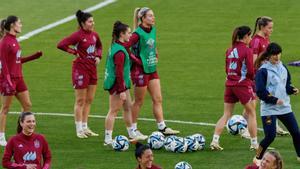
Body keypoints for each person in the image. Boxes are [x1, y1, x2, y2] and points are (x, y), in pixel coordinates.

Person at [124, 7, 179, 137]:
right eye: (150, 16)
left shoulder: (152, 29)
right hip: (140, 71)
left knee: (158, 99)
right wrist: (136, 60)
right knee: (139, 101)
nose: (153, 18)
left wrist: (155, 51)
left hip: (152, 68)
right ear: (142, 18)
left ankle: (162, 127)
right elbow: (125, 47)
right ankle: (133, 130)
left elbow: (151, 44)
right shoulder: (137, 34)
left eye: (153, 15)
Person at [210, 26, 258, 151]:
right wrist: (250, 78)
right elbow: (251, 70)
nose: (251, 38)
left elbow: (227, 69)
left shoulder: (229, 50)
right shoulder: (247, 50)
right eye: (250, 36)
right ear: (246, 36)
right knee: (252, 113)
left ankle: (215, 140)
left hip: (229, 84)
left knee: (226, 114)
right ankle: (254, 144)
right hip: (242, 84)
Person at [241, 16, 289, 139]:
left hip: (269, 75)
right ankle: (243, 128)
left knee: (273, 97)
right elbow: (254, 61)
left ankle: (275, 126)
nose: (271, 30)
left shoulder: (266, 39)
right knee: (252, 103)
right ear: (262, 27)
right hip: (259, 76)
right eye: (269, 27)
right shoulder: (256, 41)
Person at [57, 10, 102, 138]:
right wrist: (73, 52)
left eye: (93, 21)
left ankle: (85, 126)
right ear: (83, 23)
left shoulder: (94, 35)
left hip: (92, 69)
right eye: (90, 21)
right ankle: (78, 129)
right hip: (80, 70)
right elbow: (61, 44)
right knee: (80, 100)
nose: (93, 23)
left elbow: (99, 46)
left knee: (89, 100)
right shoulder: (77, 35)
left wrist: (98, 56)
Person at [253, 42, 300, 164]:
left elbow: (286, 85)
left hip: (284, 107)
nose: (277, 57)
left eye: (278, 54)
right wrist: (274, 100)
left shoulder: (283, 67)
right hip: (269, 109)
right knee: (270, 136)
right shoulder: (263, 71)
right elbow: (260, 91)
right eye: (274, 54)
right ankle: (257, 158)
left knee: (296, 132)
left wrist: (292, 90)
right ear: (269, 55)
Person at [0, 16, 43, 146]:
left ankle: (20, 134)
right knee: (5, 108)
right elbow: (4, 64)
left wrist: (33, 57)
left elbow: (16, 61)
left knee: (27, 105)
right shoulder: (5, 42)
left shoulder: (14, 40)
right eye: (19, 23)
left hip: (19, 78)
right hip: (9, 79)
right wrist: (8, 82)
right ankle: (1, 137)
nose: (21, 25)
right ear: (12, 25)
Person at [103, 21, 147, 145]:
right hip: (118, 85)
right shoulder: (120, 52)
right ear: (122, 34)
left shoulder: (118, 46)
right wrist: (121, 90)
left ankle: (131, 132)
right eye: (128, 32)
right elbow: (118, 73)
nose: (130, 34)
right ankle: (108, 138)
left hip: (123, 83)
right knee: (113, 110)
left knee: (128, 107)